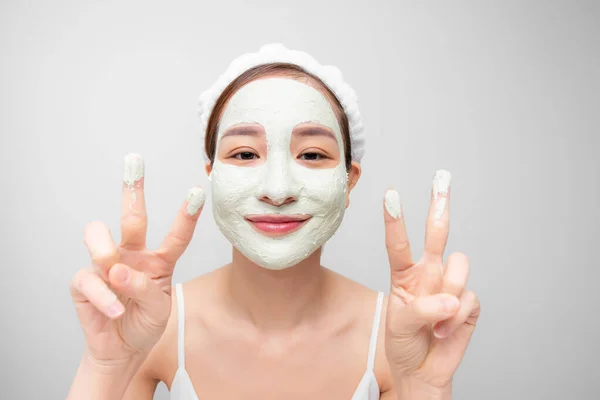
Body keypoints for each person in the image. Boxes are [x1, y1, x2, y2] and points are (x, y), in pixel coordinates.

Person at [67, 44, 480, 400]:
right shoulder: (152, 322)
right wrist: (105, 366)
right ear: (211, 173)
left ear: (348, 181)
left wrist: (423, 388)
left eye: (312, 155)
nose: (278, 189)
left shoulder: (399, 335)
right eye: (245, 154)